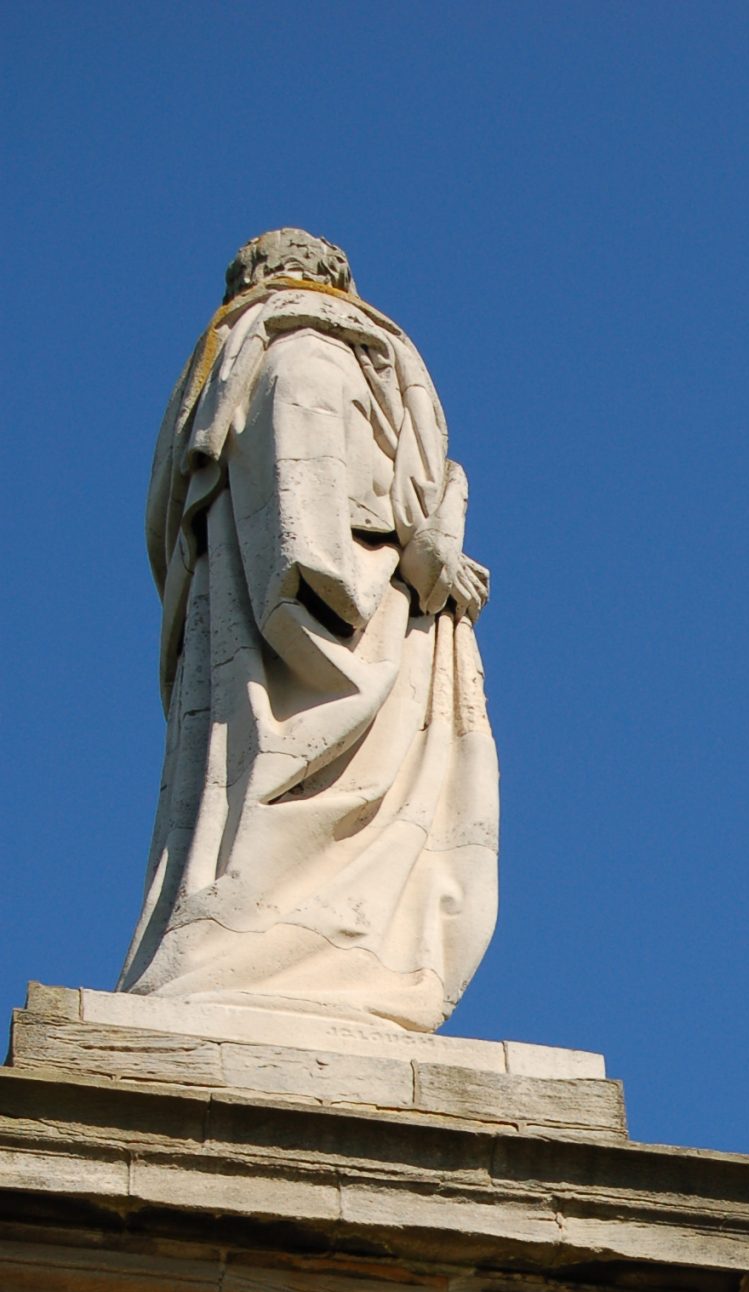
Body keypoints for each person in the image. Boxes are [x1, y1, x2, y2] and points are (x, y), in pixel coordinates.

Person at [120, 228, 500, 1034]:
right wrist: (410, 572)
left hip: (296, 615)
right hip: (328, 621)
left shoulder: (256, 359)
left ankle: (302, 948)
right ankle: (271, 955)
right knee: (288, 788)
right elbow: (308, 537)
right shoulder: (308, 353)